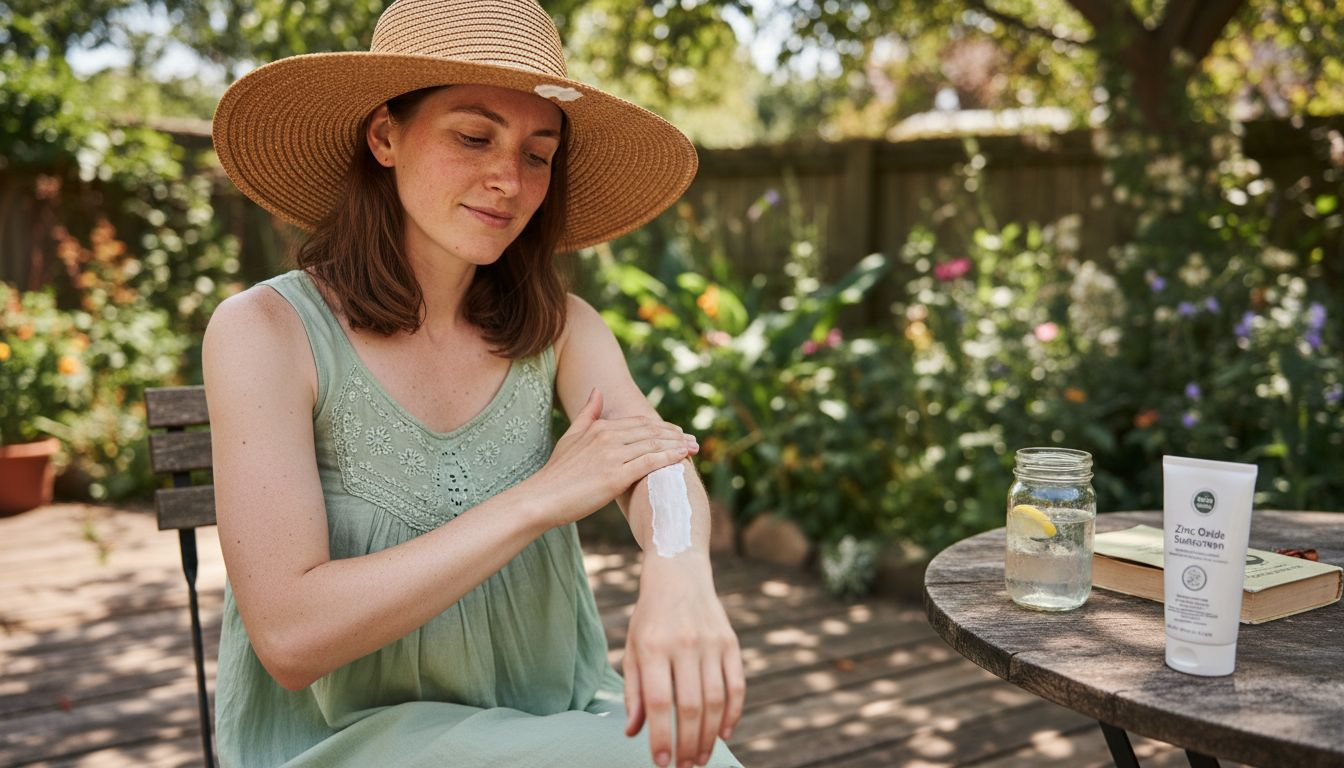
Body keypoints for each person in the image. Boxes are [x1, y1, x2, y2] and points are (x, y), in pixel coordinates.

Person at [202, 0, 745, 766]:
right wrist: (534, 501)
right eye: (473, 135)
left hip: (545, 715)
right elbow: (290, 636)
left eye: (537, 152)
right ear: (385, 135)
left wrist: (680, 568)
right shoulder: (265, 331)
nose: (508, 178)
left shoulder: (561, 325)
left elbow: (658, 458)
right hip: (344, 744)